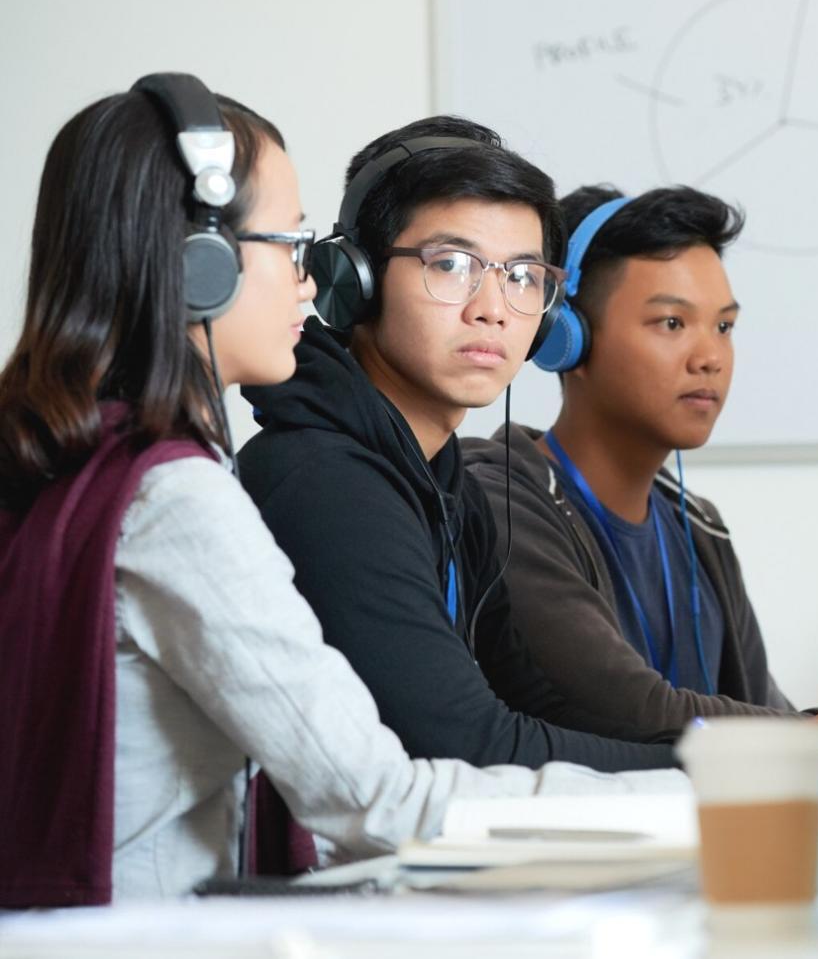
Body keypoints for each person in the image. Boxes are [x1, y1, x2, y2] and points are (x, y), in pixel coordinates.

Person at [0, 75, 567, 905]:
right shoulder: (173, 500)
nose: (311, 283)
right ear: (202, 265)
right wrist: (708, 794)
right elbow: (376, 799)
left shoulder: (78, 463)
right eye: (289, 245)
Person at [237, 119, 677, 771]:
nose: (493, 308)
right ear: (352, 279)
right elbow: (467, 742)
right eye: (451, 264)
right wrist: (716, 770)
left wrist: (737, 747)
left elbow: (531, 700)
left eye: (523, 276)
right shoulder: (323, 481)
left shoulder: (444, 481)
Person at [462, 185, 813, 743]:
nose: (710, 358)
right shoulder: (503, 503)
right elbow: (627, 708)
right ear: (566, 340)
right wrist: (811, 735)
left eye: (723, 326)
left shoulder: (699, 529)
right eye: (672, 323)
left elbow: (762, 709)